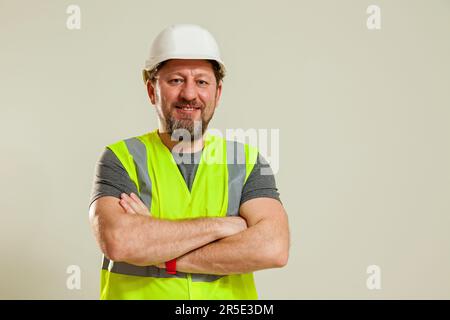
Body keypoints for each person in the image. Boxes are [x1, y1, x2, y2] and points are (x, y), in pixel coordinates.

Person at [88, 24, 290, 300]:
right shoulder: (122, 158)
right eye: (176, 80)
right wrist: (221, 226)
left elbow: (273, 247)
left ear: (217, 94)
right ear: (151, 91)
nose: (190, 94)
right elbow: (119, 241)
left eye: (202, 81)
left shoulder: (246, 162)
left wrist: (163, 256)